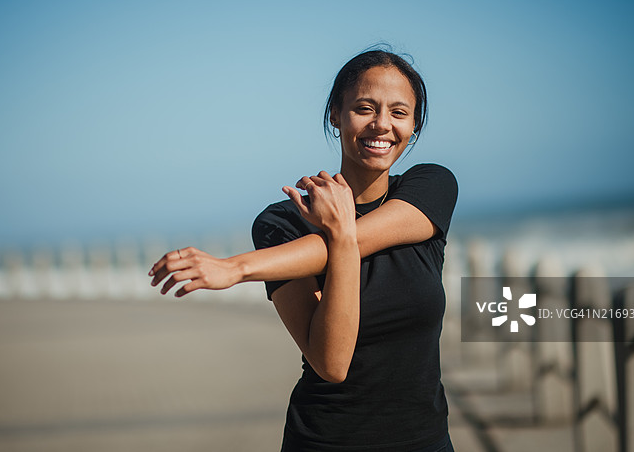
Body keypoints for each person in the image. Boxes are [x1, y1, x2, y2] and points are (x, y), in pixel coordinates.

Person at [149, 49, 458, 451]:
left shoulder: (430, 188)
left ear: (413, 126)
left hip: (427, 442)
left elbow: (360, 237)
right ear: (335, 114)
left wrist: (237, 268)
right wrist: (341, 238)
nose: (382, 124)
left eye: (399, 113)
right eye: (365, 108)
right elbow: (332, 364)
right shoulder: (281, 224)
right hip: (326, 441)